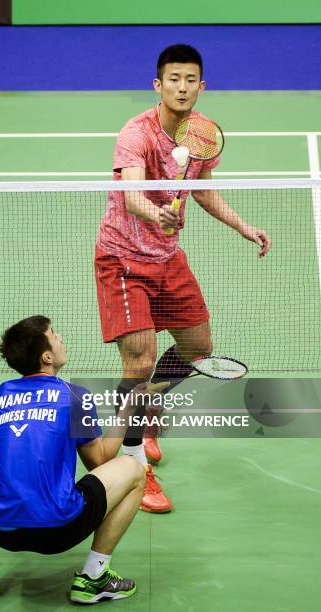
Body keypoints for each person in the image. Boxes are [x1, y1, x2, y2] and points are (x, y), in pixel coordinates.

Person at [94, 44, 271, 512]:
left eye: (190, 79)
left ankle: (145, 405)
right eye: (173, 79)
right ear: (158, 85)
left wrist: (243, 225)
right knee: (138, 363)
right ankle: (136, 468)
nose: (182, 87)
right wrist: (158, 213)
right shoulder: (137, 133)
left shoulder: (201, 135)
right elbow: (132, 193)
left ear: (201, 86)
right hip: (124, 259)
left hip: (168, 258)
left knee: (197, 347)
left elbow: (204, 191)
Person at [0, 315, 149, 604]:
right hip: (59, 532)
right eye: (55, 335)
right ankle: (94, 576)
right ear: (47, 357)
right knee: (134, 469)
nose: (61, 339)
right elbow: (100, 461)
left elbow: (4, 452)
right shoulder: (75, 396)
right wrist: (127, 412)